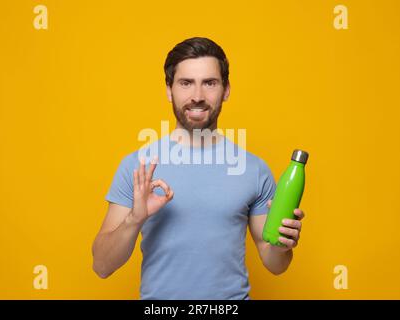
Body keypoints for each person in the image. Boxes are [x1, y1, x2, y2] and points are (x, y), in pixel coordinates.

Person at [92, 37, 305, 300]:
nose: (197, 96)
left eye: (210, 83)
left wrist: (283, 245)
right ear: (169, 90)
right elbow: (102, 266)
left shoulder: (255, 170)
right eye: (186, 83)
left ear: (226, 89)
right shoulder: (138, 167)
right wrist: (134, 219)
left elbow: (275, 264)